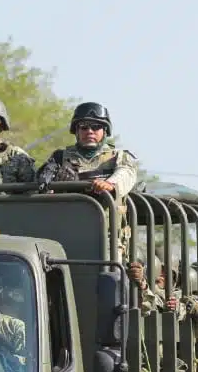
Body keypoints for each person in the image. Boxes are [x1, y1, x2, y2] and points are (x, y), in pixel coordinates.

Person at [35, 101, 140, 265]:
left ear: (105, 131)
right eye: (84, 127)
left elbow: (126, 173)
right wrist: (49, 185)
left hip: (107, 239)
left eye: (96, 127)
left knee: (110, 280)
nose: (89, 131)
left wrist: (109, 184)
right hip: (65, 237)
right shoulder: (60, 157)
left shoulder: (117, 156)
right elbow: (42, 183)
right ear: (76, 131)